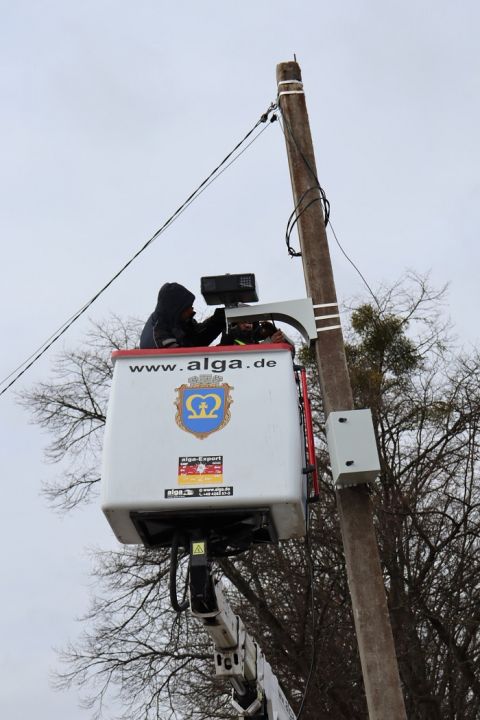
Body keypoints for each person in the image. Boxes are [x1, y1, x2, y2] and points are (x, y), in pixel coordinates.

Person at [140, 282, 225, 349]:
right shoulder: (159, 331)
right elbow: (181, 360)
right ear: (176, 308)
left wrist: (217, 321)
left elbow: (197, 338)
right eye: (187, 307)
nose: (191, 310)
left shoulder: (177, 322)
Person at [220, 317, 293, 348]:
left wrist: (274, 330)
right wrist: (270, 342)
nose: (248, 325)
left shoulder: (254, 341)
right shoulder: (228, 341)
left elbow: (292, 345)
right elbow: (250, 354)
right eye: (243, 322)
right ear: (235, 325)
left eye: (250, 323)